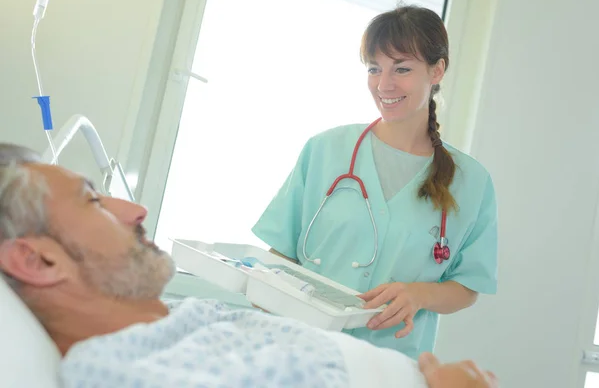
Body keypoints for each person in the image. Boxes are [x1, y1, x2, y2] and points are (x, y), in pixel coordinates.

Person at [0, 143, 498, 388]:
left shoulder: (178, 321)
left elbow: (469, 280)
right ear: (36, 259)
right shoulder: (135, 373)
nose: (136, 210)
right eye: (92, 200)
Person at [252, 4, 498, 359]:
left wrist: (420, 294)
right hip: (296, 352)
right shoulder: (325, 150)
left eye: (402, 68)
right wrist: (265, 295)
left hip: (388, 365)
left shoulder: (471, 181)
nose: (384, 84)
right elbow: (281, 253)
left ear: (437, 70)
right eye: (374, 69)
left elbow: (468, 285)